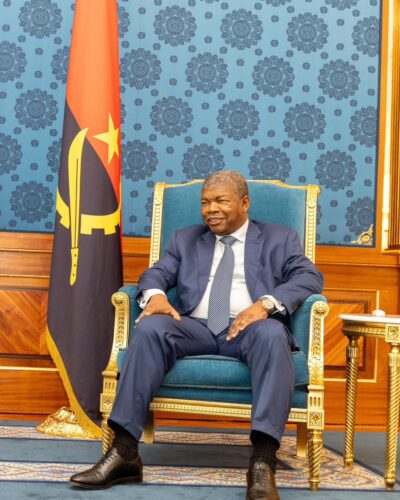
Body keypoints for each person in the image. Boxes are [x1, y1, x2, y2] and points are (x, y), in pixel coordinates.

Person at [69, 171, 323, 499]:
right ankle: (124, 452)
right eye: (205, 202)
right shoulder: (186, 238)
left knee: (273, 334)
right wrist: (156, 296)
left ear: (244, 204)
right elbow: (155, 274)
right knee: (150, 327)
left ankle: (262, 462)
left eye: (221, 201)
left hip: (251, 328)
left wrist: (265, 305)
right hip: (196, 327)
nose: (210, 209)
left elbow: (309, 277)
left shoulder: (279, 238)